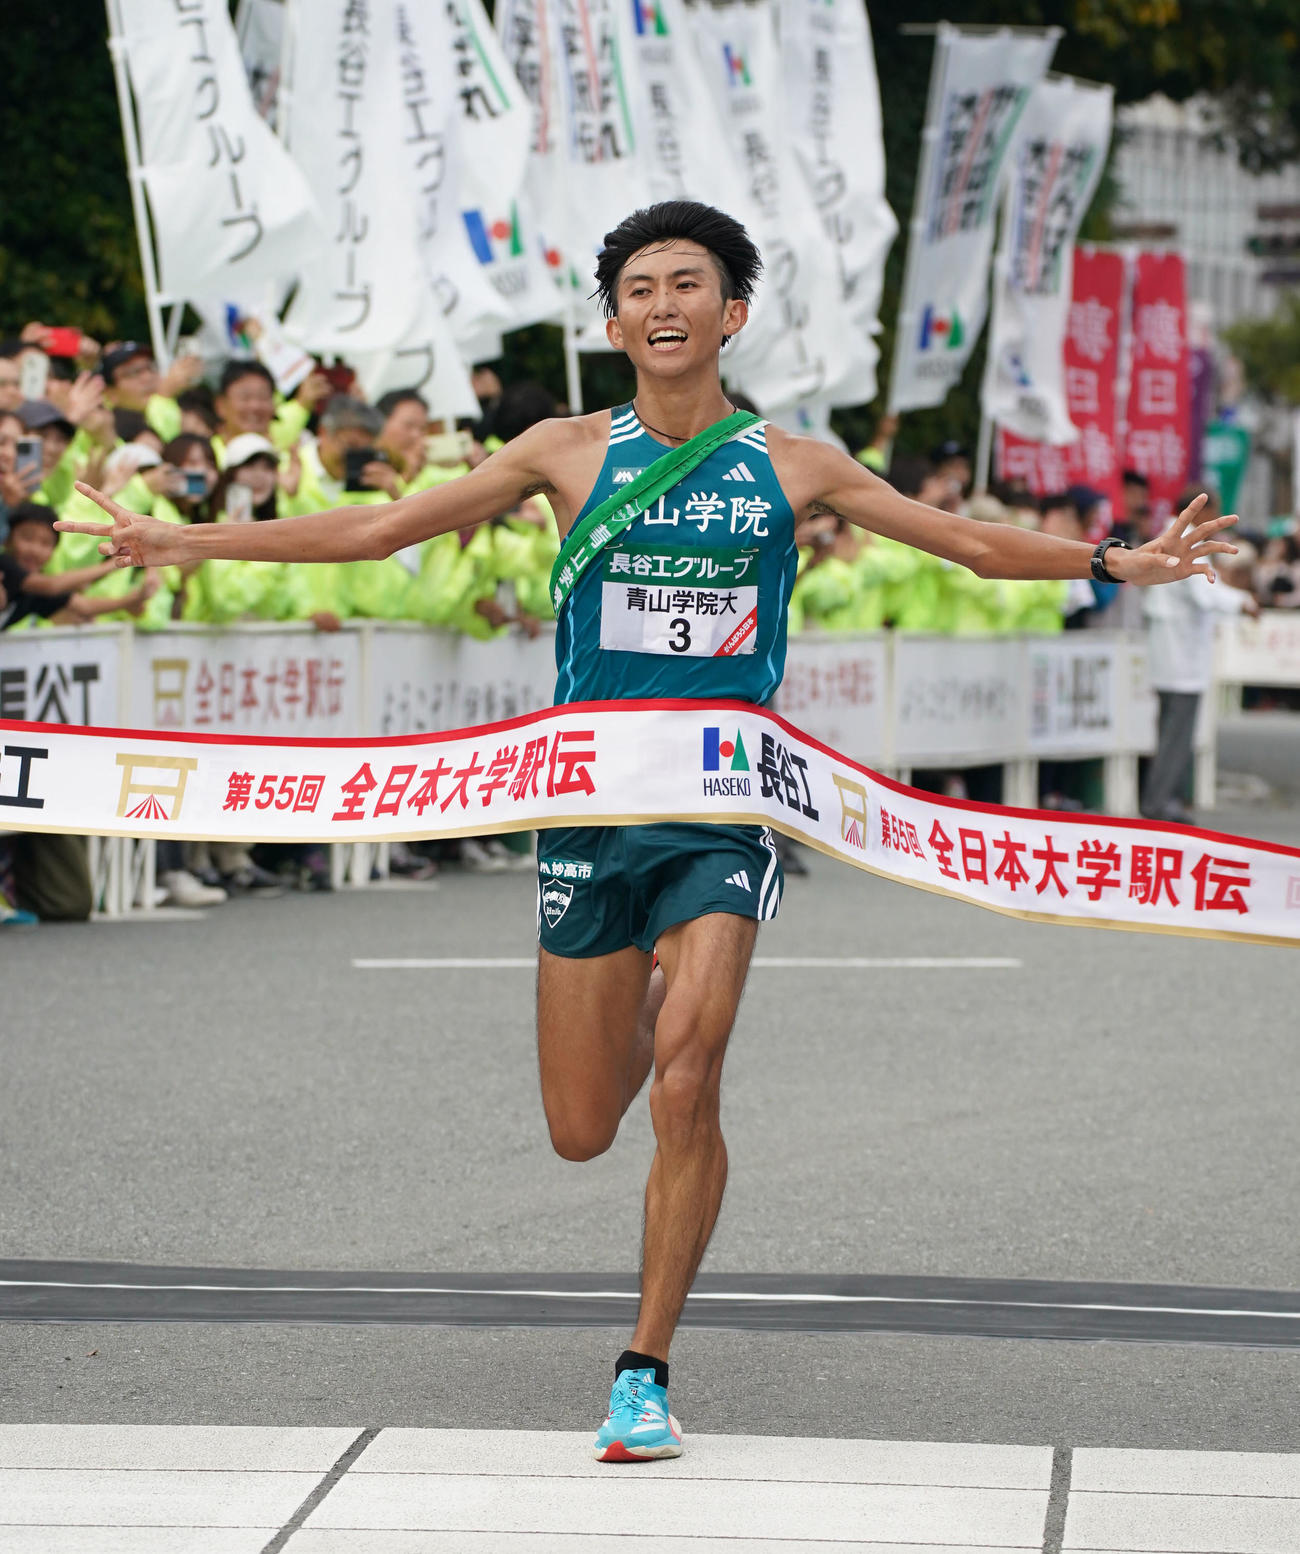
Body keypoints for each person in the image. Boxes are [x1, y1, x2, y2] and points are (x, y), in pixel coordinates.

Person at [59, 199, 1238, 1464]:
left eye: (687, 283)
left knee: (689, 1078)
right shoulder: (563, 451)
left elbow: (960, 541)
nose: (663, 303)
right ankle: (649, 994)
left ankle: (644, 1368)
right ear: (614, 325)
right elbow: (381, 529)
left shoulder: (795, 465)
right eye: (639, 288)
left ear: (732, 312)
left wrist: (1113, 562)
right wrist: (179, 536)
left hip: (722, 807)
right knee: (582, 1126)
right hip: (588, 808)